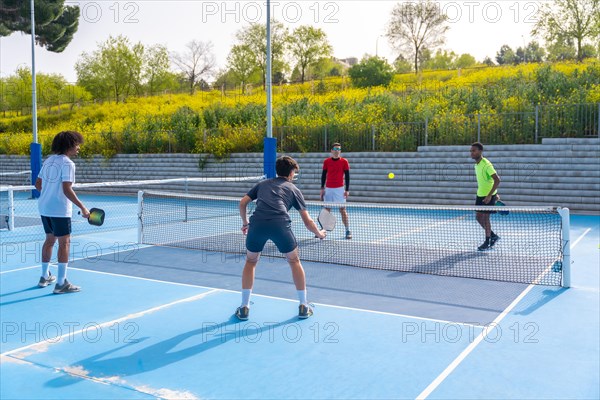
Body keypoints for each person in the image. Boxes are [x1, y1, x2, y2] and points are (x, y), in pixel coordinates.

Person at [237, 156, 326, 320]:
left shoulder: (262, 184)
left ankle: (244, 307)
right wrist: (319, 233)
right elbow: (308, 221)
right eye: (294, 172)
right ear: (291, 173)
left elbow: (242, 203)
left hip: (257, 225)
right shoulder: (294, 189)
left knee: (251, 262)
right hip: (280, 225)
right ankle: (304, 306)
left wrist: (245, 223)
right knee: (294, 261)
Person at [35, 131, 90, 293]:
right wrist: (83, 207)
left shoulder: (49, 161)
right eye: (76, 144)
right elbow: (67, 189)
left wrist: (48, 194)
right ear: (69, 145)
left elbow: (38, 183)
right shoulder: (68, 164)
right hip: (60, 210)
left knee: (49, 241)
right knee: (64, 243)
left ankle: (44, 276)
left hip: (44, 208)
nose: (78, 147)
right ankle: (61, 283)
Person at [470, 142, 501, 251]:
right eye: (471, 151)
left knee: (486, 218)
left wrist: (491, 195)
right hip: (480, 195)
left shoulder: (486, 164)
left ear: (480, 151)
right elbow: (487, 181)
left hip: (488, 196)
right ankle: (493, 236)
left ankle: (487, 241)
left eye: (474, 151)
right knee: (478, 217)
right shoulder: (476, 165)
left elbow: (497, 180)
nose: (471, 153)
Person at [320, 142, 351, 239]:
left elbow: (347, 176)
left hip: (340, 190)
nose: (337, 151)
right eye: (335, 149)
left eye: (339, 149)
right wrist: (322, 188)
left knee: (342, 210)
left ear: (340, 151)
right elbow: (323, 175)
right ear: (331, 151)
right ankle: (323, 230)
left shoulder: (344, 161)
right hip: (328, 189)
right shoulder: (326, 161)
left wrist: (347, 190)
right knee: (327, 210)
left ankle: (347, 230)